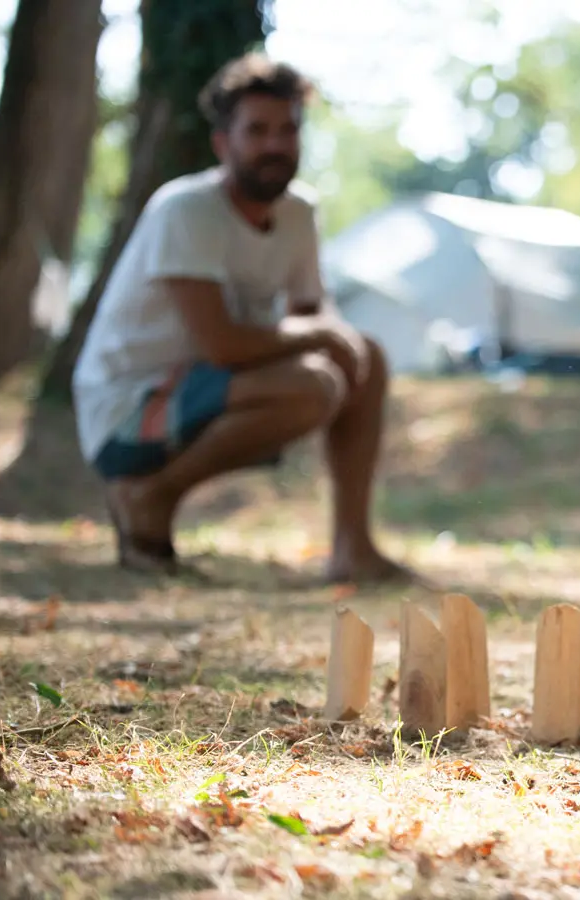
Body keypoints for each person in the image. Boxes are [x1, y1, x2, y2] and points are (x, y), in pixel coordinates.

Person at [73, 53, 413, 585]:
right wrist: (325, 332)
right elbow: (223, 345)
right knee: (313, 386)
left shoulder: (299, 211)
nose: (275, 145)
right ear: (222, 143)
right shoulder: (185, 209)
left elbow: (310, 314)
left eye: (287, 129)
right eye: (256, 130)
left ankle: (353, 548)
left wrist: (339, 336)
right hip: (127, 409)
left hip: (208, 388)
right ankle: (147, 497)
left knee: (365, 355)